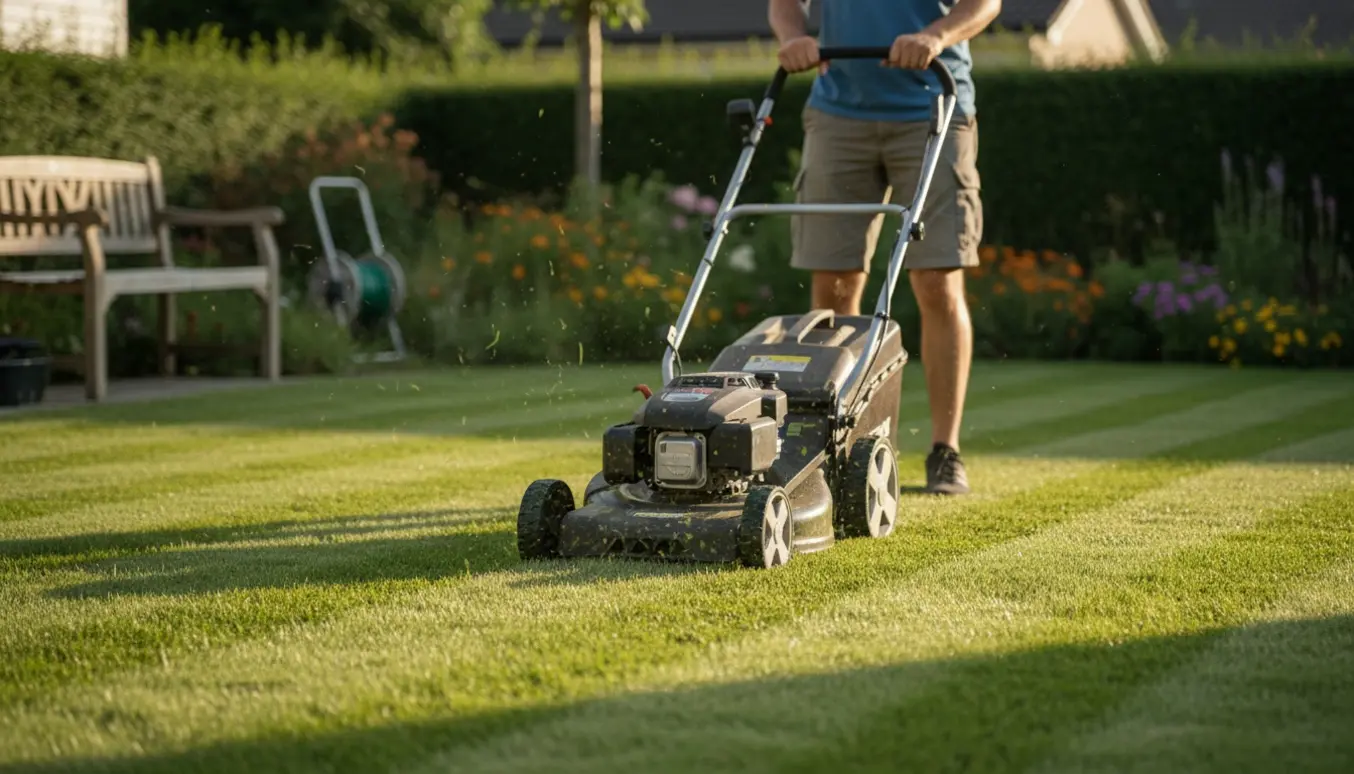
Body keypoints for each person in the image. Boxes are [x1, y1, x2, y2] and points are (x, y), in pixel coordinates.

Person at [767, 0, 1001, 495]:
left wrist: (936, 36)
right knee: (834, 285)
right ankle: (835, 446)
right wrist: (792, 38)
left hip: (934, 103)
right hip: (838, 113)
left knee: (937, 280)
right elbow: (785, 5)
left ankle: (945, 450)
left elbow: (985, 4)